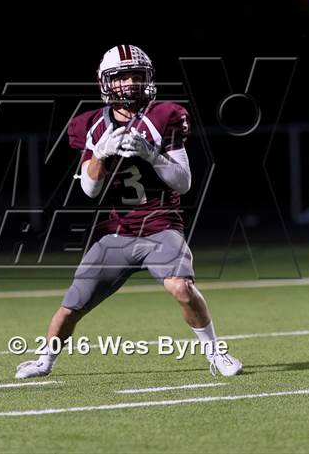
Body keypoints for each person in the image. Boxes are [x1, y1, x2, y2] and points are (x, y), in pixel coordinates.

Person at [16, 44, 242, 379]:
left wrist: (151, 154)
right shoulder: (91, 125)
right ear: (106, 82)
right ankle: (44, 362)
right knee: (71, 307)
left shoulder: (164, 115)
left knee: (181, 287)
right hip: (116, 232)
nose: (131, 83)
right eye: (122, 77)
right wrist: (100, 155)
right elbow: (89, 190)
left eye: (137, 75)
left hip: (160, 225)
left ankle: (216, 353)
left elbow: (183, 183)